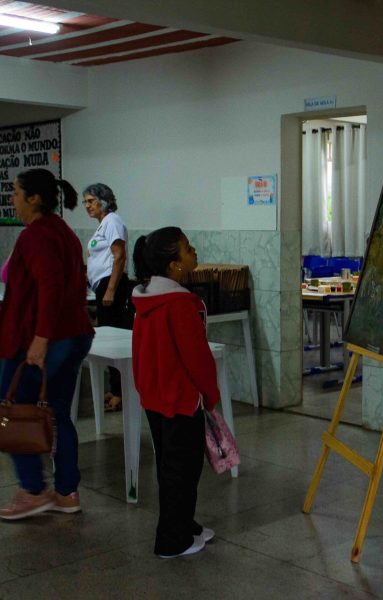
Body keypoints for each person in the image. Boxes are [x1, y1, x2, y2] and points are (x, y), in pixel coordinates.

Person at [0, 168, 94, 520]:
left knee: (15, 411)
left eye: (15, 193)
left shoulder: (37, 236)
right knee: (57, 415)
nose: (12, 199)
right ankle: (67, 492)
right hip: (73, 334)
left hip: (44, 340)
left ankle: (34, 491)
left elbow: (51, 288)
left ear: (33, 198)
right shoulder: (62, 232)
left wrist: (40, 340)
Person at [131, 227, 220, 558]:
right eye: (186, 249)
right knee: (182, 470)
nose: (194, 252)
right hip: (182, 400)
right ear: (174, 265)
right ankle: (172, 539)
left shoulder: (146, 298)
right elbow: (196, 357)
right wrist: (209, 394)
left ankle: (184, 523)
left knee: (171, 466)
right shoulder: (182, 304)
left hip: (155, 397)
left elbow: (140, 350)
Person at [84, 183, 130, 412]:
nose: (87, 206)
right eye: (85, 202)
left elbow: (119, 256)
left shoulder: (112, 221)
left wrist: (110, 290)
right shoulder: (103, 225)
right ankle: (115, 388)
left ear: (103, 200)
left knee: (114, 342)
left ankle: (121, 393)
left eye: (91, 201)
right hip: (101, 286)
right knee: (109, 340)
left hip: (112, 287)